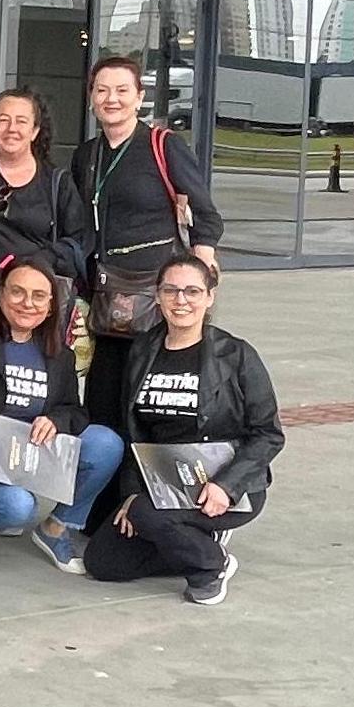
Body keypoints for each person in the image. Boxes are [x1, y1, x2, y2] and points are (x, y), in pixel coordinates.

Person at [86, 252, 282, 605]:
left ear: (209, 297)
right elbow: (136, 433)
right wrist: (131, 493)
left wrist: (226, 486)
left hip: (222, 483)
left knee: (145, 515)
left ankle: (211, 565)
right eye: (171, 290)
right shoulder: (143, 350)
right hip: (165, 483)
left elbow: (268, 434)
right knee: (104, 561)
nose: (181, 300)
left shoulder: (236, 355)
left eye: (192, 291)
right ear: (158, 296)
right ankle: (196, 541)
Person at [70, 56, 224, 482]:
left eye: (122, 90)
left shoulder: (163, 145)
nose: (112, 99)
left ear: (139, 97)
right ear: (91, 99)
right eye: (102, 90)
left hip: (156, 304)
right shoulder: (86, 156)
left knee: (151, 406)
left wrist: (199, 276)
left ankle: (151, 495)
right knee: (103, 407)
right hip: (105, 304)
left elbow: (206, 216)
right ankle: (101, 505)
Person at [0, 255, 122, 572]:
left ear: (51, 304)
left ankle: (56, 527)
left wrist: (56, 421)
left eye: (39, 295)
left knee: (106, 444)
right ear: (0, 294)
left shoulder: (58, 353)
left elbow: (74, 411)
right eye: (17, 292)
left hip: (27, 461)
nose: (28, 303)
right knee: (17, 507)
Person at [0, 88, 92, 306]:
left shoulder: (57, 182)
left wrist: (40, 260)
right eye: (3, 120)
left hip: (32, 302)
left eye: (21, 121)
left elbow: (78, 241)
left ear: (35, 131)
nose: (12, 128)